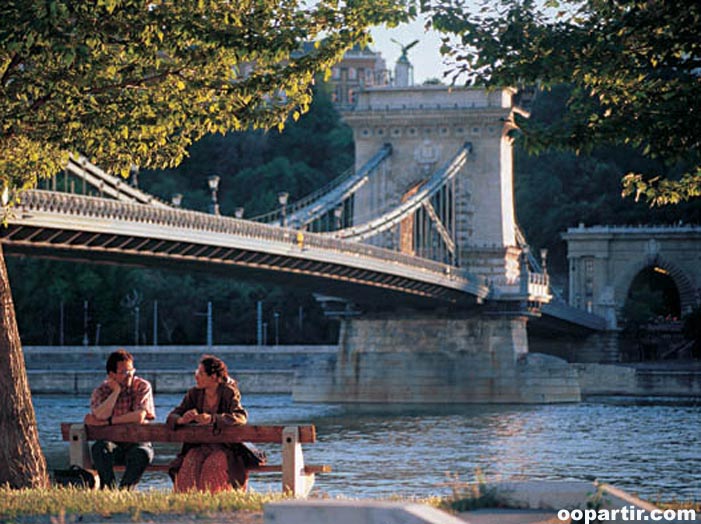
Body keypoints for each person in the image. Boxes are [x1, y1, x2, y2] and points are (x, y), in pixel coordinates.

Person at [166, 354, 249, 493]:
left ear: (214, 377)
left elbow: (240, 417)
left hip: (224, 448)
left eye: (201, 373)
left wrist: (213, 419)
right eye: (196, 372)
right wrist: (181, 420)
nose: (196, 377)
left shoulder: (229, 393)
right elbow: (172, 416)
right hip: (199, 445)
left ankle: (212, 499)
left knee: (213, 464)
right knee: (190, 463)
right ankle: (185, 502)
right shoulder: (194, 394)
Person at [84, 349, 156, 489]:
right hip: (113, 444)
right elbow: (99, 415)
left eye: (131, 371)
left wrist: (109, 422)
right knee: (100, 448)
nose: (129, 375)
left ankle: (125, 491)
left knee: (142, 453)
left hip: (137, 442)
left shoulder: (142, 386)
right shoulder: (102, 391)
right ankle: (109, 490)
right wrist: (116, 392)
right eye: (124, 372)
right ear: (112, 374)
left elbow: (139, 416)